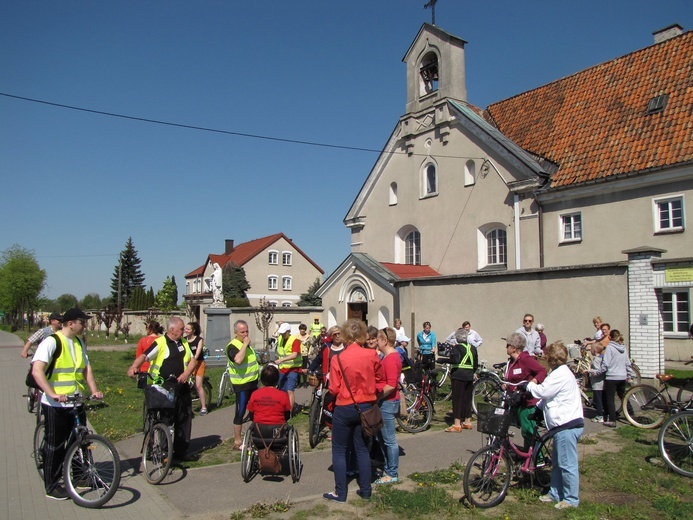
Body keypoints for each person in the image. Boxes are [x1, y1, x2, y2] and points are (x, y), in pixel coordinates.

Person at [32, 308, 102, 500]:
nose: (85, 325)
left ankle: (80, 477)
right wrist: (52, 393)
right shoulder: (51, 342)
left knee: (79, 440)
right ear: (71, 323)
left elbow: (86, 368)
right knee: (55, 445)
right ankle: (52, 486)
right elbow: (37, 371)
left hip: (75, 400)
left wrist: (94, 390)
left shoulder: (79, 342)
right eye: (82, 321)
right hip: (56, 405)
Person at [324, 319, 385, 502]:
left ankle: (340, 492)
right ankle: (365, 490)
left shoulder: (338, 358)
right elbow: (380, 379)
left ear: (344, 335)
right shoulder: (371, 355)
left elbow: (334, 388)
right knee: (362, 449)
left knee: (340, 449)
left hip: (344, 405)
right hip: (366, 406)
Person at [128, 317, 197, 461]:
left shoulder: (184, 342)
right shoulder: (160, 342)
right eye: (181, 328)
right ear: (172, 330)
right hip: (163, 387)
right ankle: (164, 452)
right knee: (165, 420)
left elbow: (193, 360)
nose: (184, 331)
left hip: (181, 387)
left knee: (184, 418)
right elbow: (144, 356)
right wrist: (134, 366)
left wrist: (186, 373)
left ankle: (181, 452)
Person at [528, 342, 584, 510]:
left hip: (567, 425)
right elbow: (550, 397)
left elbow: (544, 392)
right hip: (561, 426)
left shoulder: (561, 374)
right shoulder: (559, 373)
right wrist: (538, 409)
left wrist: (529, 385)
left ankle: (571, 499)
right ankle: (555, 492)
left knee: (567, 464)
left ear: (550, 358)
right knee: (558, 463)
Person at [504, 332, 547, 451]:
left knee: (528, 431)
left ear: (514, 347)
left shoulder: (526, 359)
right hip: (514, 400)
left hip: (527, 401)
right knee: (521, 430)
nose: (506, 347)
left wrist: (533, 381)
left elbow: (542, 371)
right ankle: (526, 456)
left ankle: (536, 458)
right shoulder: (511, 361)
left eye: (507, 345)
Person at [225, 319, 260, 449]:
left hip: (252, 382)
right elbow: (238, 360)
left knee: (256, 409)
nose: (245, 334)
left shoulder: (247, 345)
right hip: (241, 384)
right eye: (242, 332)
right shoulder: (232, 346)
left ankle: (255, 434)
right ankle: (237, 441)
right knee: (240, 411)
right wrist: (245, 345)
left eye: (247, 331)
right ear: (235, 332)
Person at [375, 327, 402, 484]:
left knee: (389, 440)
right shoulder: (387, 357)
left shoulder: (391, 358)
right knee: (383, 438)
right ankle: (388, 469)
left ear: (385, 341)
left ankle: (391, 473)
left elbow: (391, 385)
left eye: (378, 339)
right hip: (384, 402)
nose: (377, 342)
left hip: (387, 402)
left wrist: (377, 397)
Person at [589, 329, 631, 428]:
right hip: (622, 376)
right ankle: (631, 414)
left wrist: (596, 372)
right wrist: (629, 375)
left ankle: (612, 420)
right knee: (623, 396)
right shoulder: (623, 348)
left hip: (612, 377)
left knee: (610, 399)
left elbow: (605, 365)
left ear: (610, 337)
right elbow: (627, 363)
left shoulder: (610, 348)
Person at [445, 328, 478, 432]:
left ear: (458, 338)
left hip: (458, 375)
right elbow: (475, 364)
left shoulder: (457, 348)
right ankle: (468, 421)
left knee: (457, 399)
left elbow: (454, 360)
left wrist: (442, 360)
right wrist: (471, 372)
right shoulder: (472, 348)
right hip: (469, 376)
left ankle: (457, 424)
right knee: (467, 399)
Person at [275, 322, 302, 411]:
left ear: (289, 331)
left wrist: (281, 360)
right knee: (281, 390)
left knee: (290, 390)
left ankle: (289, 411)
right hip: (282, 369)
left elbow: (294, 355)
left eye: (284, 333)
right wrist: (279, 325)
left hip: (293, 369)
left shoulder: (295, 340)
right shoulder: (280, 338)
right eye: (281, 333)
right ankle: (282, 408)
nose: (282, 334)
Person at [185, 321, 208, 415]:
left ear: (193, 330)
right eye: (185, 329)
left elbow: (198, 353)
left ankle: (203, 407)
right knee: (184, 386)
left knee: (198, 385)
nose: (185, 330)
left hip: (198, 363)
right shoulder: (183, 340)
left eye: (188, 329)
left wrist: (193, 360)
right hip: (187, 364)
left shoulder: (199, 340)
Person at [134, 320, 163, 385]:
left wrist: (136, 368)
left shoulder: (143, 340)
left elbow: (138, 356)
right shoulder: (162, 340)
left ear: (150, 329)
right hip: (158, 371)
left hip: (145, 371)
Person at [588, 343, 606, 423]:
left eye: (591, 349)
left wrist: (588, 371)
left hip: (597, 384)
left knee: (598, 400)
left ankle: (600, 416)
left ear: (594, 351)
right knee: (603, 400)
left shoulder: (596, 359)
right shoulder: (602, 358)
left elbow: (598, 371)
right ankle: (605, 414)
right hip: (603, 383)